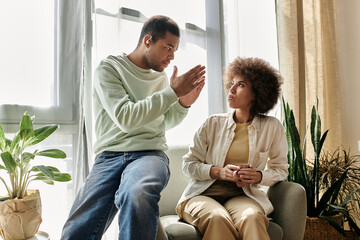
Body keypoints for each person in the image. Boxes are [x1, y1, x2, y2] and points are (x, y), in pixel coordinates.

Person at [61, 15, 206, 240]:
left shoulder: (160, 77)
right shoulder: (109, 69)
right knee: (76, 231)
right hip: (109, 156)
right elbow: (126, 117)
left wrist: (183, 103)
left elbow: (163, 121)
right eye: (168, 47)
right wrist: (172, 93)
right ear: (148, 40)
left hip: (149, 155)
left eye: (175, 50)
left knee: (137, 193)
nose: (172, 55)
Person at [176, 57, 289, 240]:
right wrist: (218, 172)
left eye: (241, 84)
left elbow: (281, 169)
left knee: (252, 217)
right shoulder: (212, 123)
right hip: (202, 194)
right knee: (217, 218)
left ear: (257, 93)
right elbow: (188, 165)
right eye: (232, 83)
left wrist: (259, 176)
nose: (232, 89)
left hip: (243, 195)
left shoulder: (272, 127)